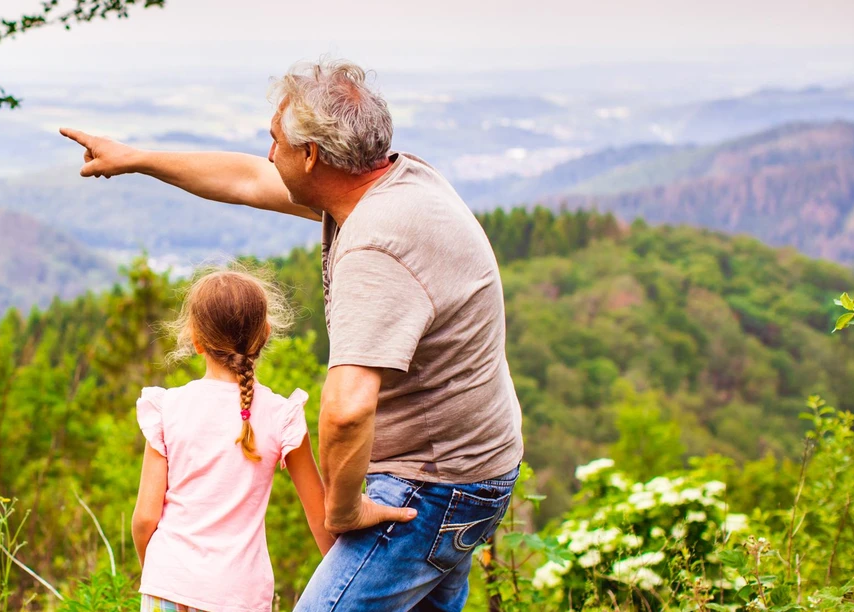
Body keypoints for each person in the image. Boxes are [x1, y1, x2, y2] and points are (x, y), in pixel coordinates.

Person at [62, 58, 523, 611]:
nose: (268, 153)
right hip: (473, 469)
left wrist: (346, 510)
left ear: (311, 156)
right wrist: (138, 159)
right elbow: (246, 180)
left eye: (275, 140)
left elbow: (347, 408)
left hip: (431, 486)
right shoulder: (391, 183)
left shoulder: (377, 243)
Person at [132, 268, 336, 612]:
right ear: (265, 335)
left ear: (195, 339)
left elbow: (144, 519)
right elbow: (321, 519)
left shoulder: (167, 408)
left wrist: (155, 570)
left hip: (167, 584)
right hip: (240, 596)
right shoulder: (281, 415)